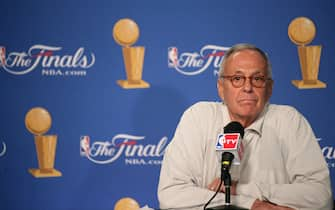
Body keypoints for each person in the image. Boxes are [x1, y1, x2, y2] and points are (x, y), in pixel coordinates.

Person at [157, 43, 333, 210]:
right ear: (220, 88)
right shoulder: (198, 118)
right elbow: (170, 196)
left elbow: (321, 196)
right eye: (237, 78)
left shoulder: (289, 121)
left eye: (257, 79)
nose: (247, 87)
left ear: (269, 88)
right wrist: (251, 204)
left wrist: (243, 189)